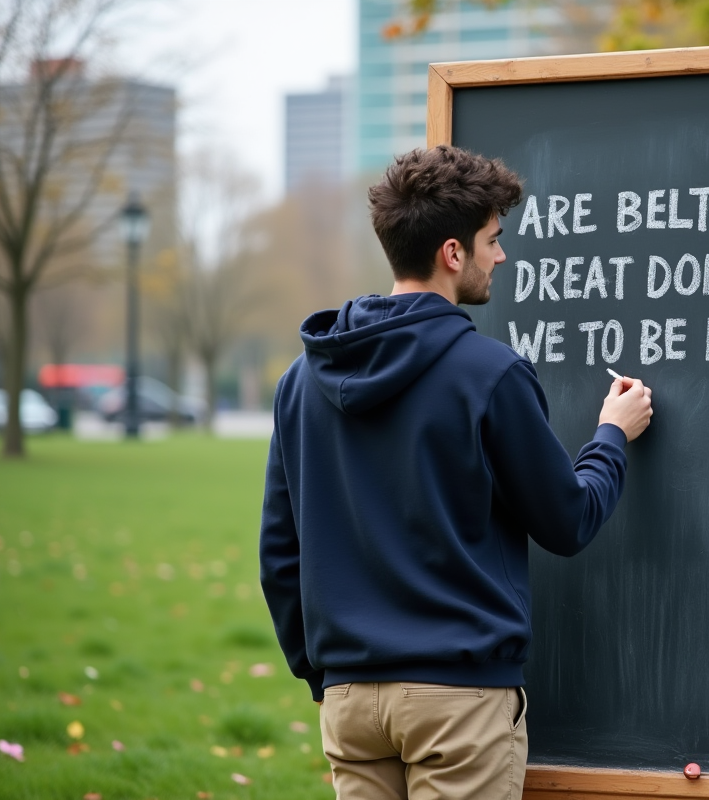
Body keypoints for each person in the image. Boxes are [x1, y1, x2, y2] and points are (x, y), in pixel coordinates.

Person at [259, 145, 653, 800]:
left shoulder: (301, 382)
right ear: (452, 253)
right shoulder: (489, 374)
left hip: (349, 700)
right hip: (460, 700)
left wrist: (325, 676)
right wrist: (613, 434)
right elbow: (567, 519)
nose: (502, 256)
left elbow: (280, 555)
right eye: (493, 240)